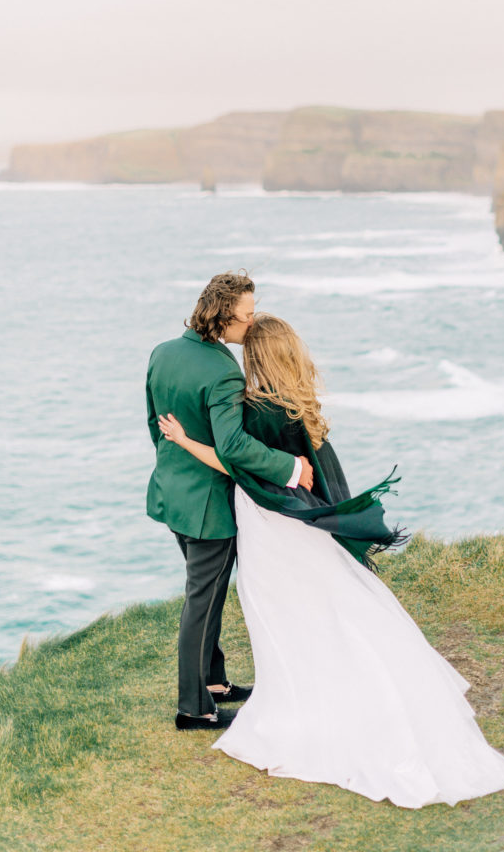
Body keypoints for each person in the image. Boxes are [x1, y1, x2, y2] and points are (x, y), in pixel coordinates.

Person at [157, 314, 504, 808]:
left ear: (255, 357)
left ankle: (303, 705)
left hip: (269, 526)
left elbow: (235, 463)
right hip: (301, 527)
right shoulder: (297, 404)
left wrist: (183, 440)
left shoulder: (254, 410)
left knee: (282, 616)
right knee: (323, 605)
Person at [145, 273, 314, 732]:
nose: (253, 321)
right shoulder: (222, 370)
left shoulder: (163, 353)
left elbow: (152, 424)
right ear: (224, 316)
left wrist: (174, 472)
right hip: (208, 508)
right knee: (202, 601)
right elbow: (234, 446)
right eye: (248, 313)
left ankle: (215, 682)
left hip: (171, 495)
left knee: (207, 593)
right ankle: (194, 708)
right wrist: (291, 468)